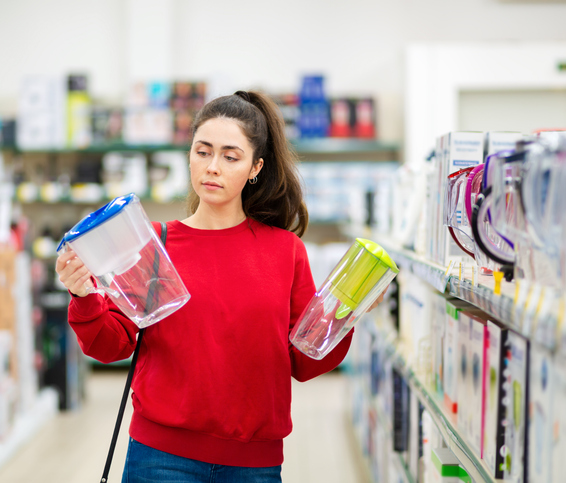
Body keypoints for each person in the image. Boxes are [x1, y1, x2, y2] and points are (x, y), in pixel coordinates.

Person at [55, 90, 384, 483]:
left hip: (254, 466)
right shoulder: (156, 245)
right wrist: (84, 296)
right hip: (160, 459)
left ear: (254, 167)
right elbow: (112, 346)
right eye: (202, 151)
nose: (212, 167)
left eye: (230, 156)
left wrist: (348, 311)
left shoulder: (285, 252)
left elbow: (304, 362)